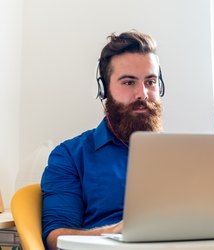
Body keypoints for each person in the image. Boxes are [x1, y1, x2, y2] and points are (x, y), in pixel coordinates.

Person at [41, 30, 165, 250]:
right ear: (104, 89)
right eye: (128, 82)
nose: (142, 94)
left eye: (150, 82)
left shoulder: (180, 155)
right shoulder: (69, 156)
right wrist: (113, 232)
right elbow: (55, 238)